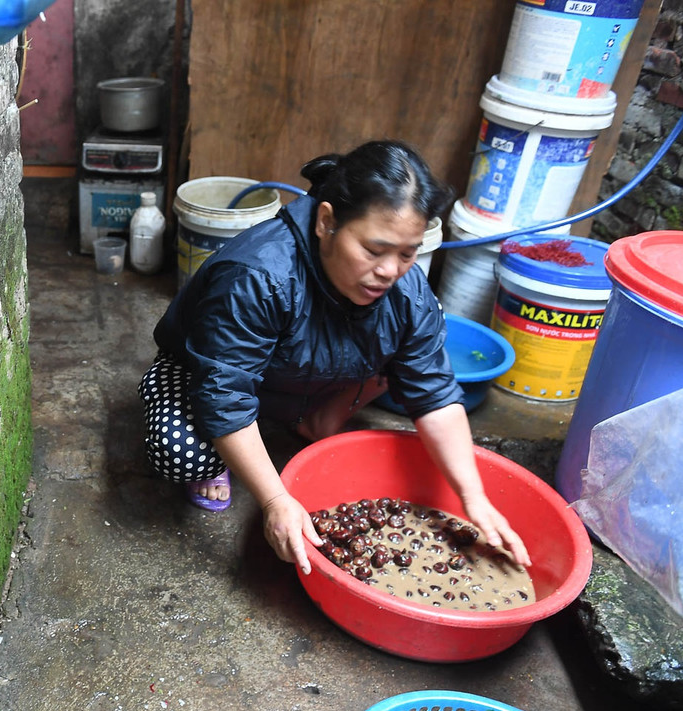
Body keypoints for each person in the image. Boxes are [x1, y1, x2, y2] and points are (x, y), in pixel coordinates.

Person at [138, 140, 531, 575]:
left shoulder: (405, 288)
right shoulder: (257, 275)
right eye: (374, 250)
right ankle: (230, 453)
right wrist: (275, 501)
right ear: (326, 222)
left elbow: (435, 395)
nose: (390, 270)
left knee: (422, 318)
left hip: (304, 373)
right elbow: (224, 395)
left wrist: (473, 498)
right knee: (181, 452)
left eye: (407, 252)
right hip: (209, 374)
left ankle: (313, 414)